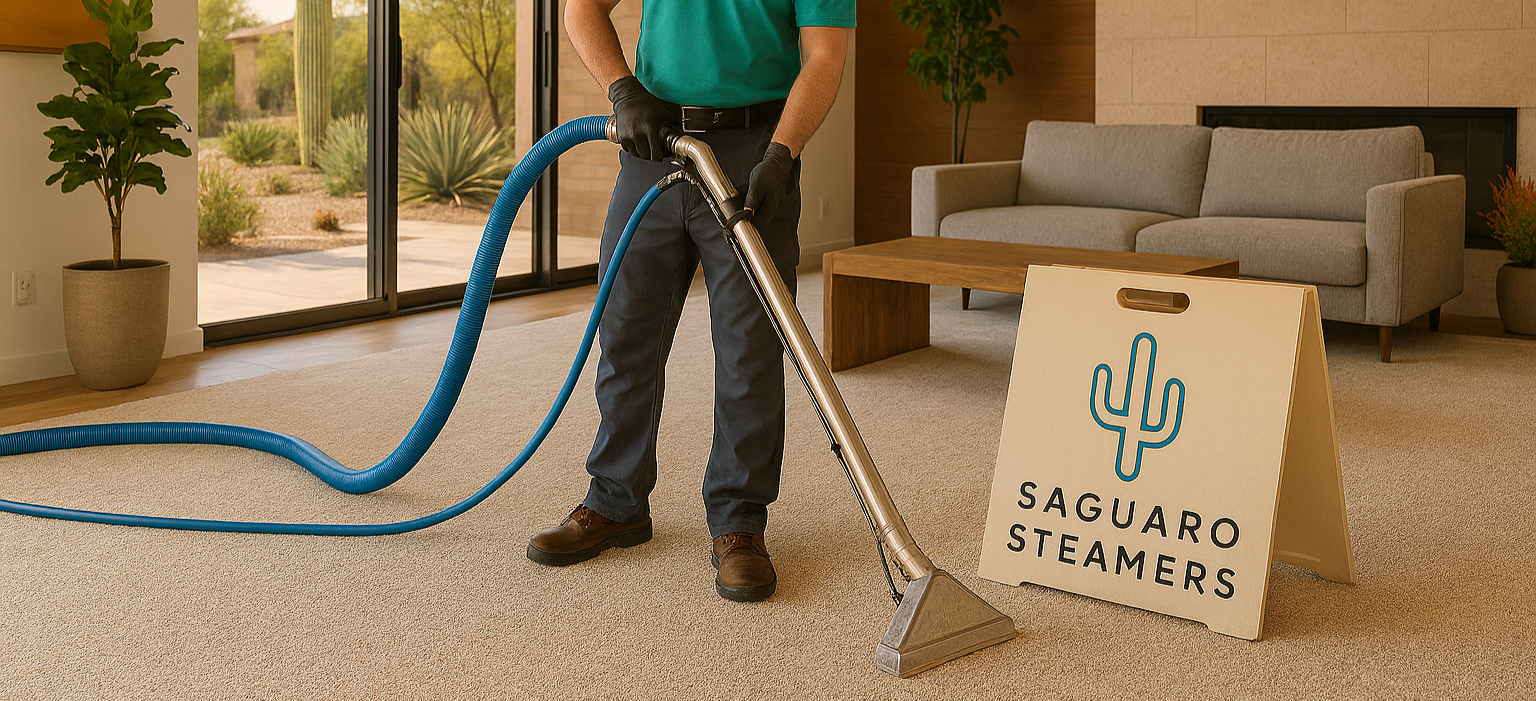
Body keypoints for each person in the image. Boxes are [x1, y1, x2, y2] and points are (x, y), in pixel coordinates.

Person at [526, 0, 855, 602]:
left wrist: (783, 155)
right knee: (625, 332)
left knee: (748, 348)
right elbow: (582, 10)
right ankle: (616, 501)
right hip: (654, 147)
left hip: (755, 150)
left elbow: (826, 56)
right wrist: (623, 91)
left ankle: (739, 523)